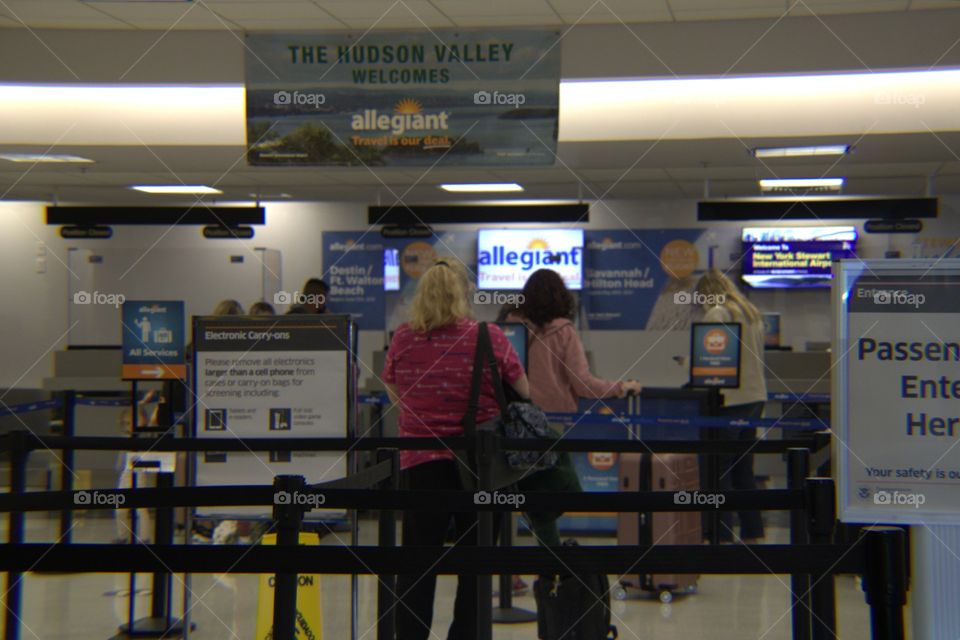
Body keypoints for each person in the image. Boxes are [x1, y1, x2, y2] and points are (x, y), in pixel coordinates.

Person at [382, 258, 529, 640]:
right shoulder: (488, 336)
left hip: (421, 463)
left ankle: (410, 636)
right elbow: (524, 390)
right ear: (463, 294)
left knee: (417, 561)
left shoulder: (403, 337)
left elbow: (394, 390)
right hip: (480, 462)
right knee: (475, 563)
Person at [507, 269, 641, 549]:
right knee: (560, 486)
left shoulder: (511, 326)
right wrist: (620, 387)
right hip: (552, 422)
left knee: (529, 487)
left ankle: (542, 557)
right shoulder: (564, 332)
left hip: (515, 420)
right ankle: (553, 557)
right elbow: (583, 383)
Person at [695, 269, 767, 543]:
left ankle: (721, 533)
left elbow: (711, 360)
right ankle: (753, 531)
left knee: (719, 469)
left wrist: (690, 364)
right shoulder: (751, 312)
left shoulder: (718, 313)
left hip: (730, 399)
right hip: (755, 397)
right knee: (743, 469)